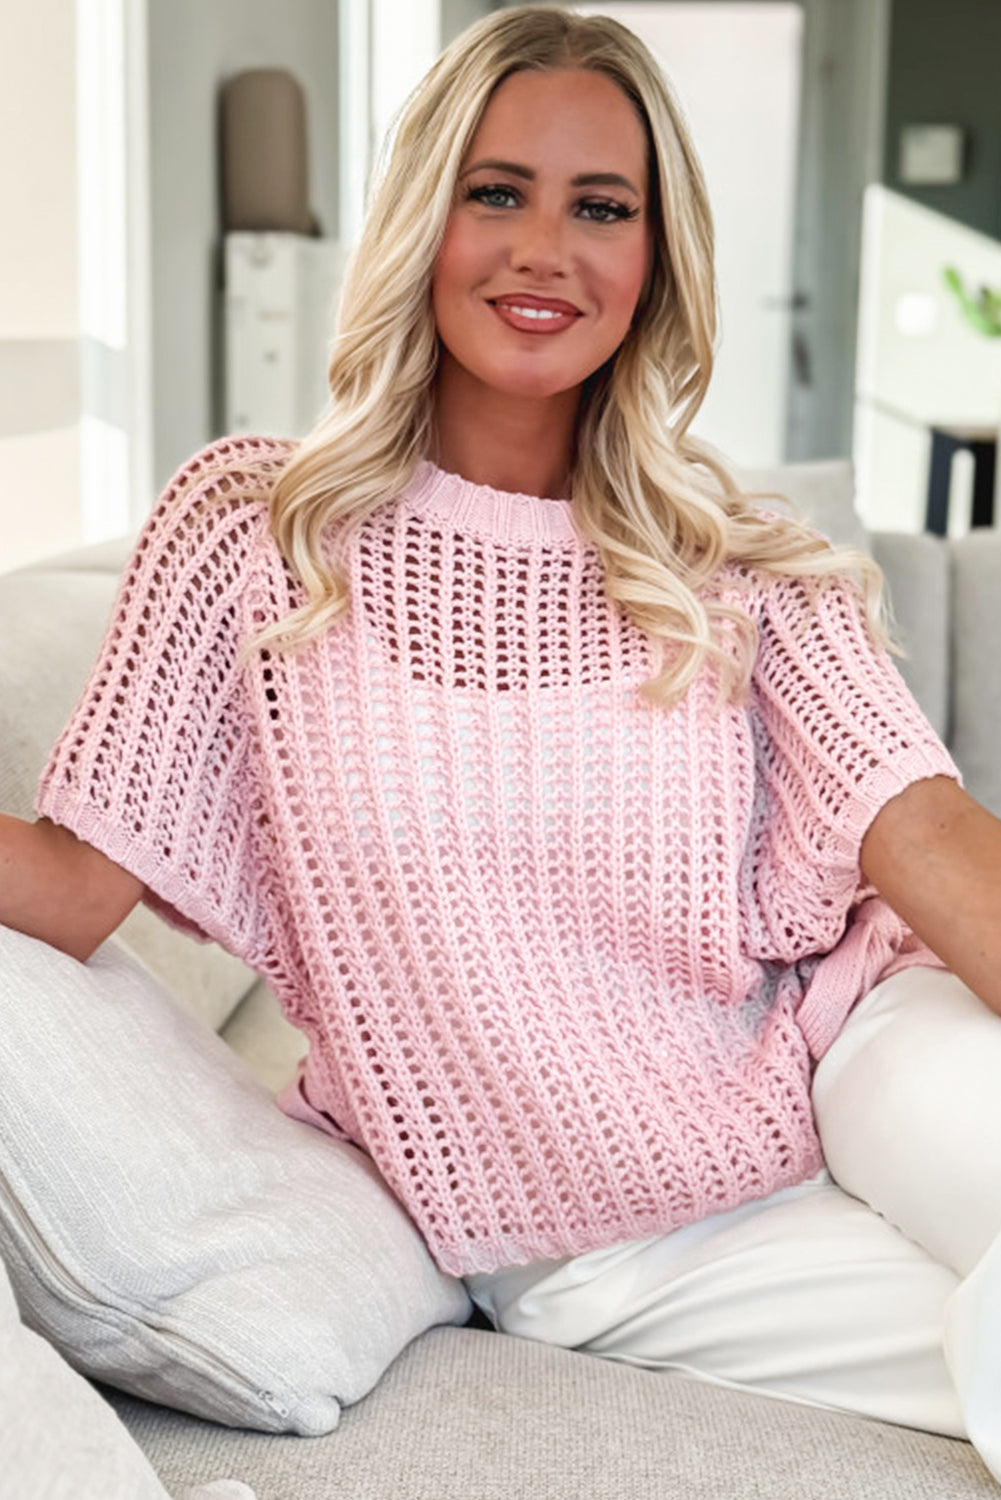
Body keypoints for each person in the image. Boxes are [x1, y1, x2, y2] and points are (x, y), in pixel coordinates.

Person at [3, 3, 1001, 1479]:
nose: (546, 250)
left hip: (862, 1040)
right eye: (496, 191)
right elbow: (72, 884)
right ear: (424, 218)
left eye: (601, 207)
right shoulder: (251, 537)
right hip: (600, 1247)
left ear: (654, 259)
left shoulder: (736, 556)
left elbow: (919, 825)